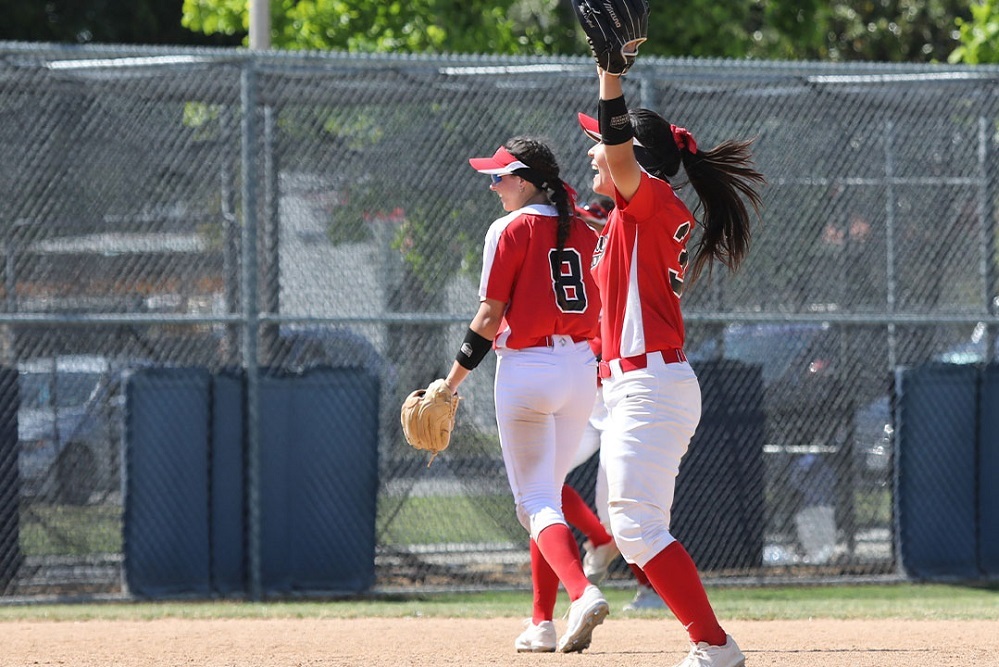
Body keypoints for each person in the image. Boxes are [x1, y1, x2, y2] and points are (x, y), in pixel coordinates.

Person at [576, 67, 765, 667]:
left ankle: (715, 647)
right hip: (633, 386)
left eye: (602, 142)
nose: (591, 149)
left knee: (634, 526)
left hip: (650, 385)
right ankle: (713, 645)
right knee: (628, 524)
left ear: (632, 156)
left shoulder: (650, 200)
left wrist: (610, 75)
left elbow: (615, 140)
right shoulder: (626, 218)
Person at [442, 137, 609, 654]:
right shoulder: (585, 225)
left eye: (501, 177)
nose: (494, 187)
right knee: (549, 494)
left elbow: (489, 319)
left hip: (527, 368)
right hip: (580, 368)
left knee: (534, 501)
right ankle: (541, 622)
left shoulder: (509, 228)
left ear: (527, 179)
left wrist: (449, 386)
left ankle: (581, 592)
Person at [565, 196, 667, 611]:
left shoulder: (623, 266)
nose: (590, 231)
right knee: (539, 483)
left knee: (621, 504)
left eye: (596, 223)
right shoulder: (587, 269)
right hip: (585, 398)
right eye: (586, 223)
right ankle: (600, 541)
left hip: (615, 396)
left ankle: (651, 589)